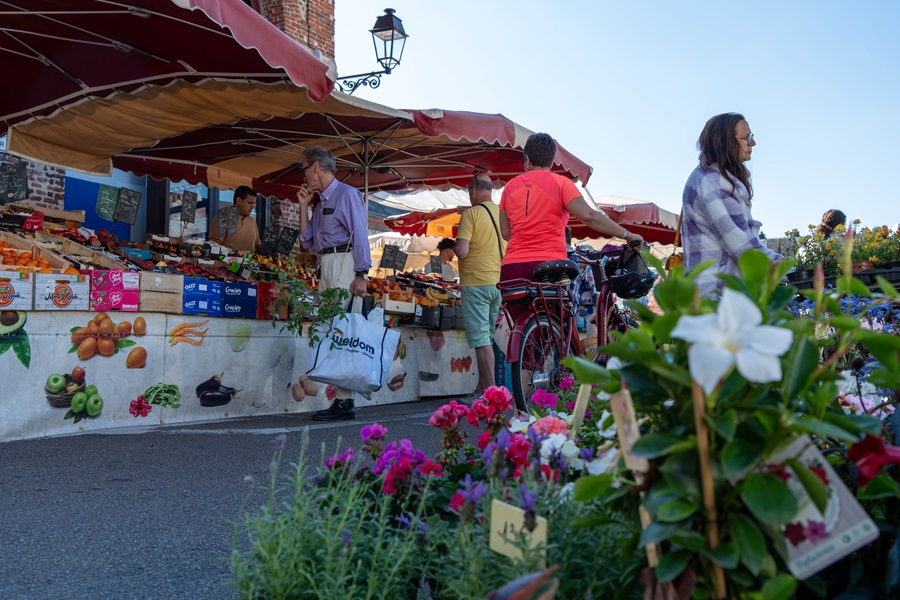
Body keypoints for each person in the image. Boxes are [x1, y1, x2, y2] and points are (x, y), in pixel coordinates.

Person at [498, 132, 643, 290]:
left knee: (519, 314)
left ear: (526, 159)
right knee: (554, 314)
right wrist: (627, 235)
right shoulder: (561, 183)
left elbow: (506, 233)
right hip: (549, 267)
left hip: (511, 267)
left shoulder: (509, 188)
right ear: (552, 161)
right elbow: (590, 216)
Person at [296, 146, 371, 421]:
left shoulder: (347, 195)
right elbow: (307, 242)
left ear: (316, 167)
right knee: (331, 331)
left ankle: (345, 400)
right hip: (327, 265)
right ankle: (342, 399)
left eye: (303, 169)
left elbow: (360, 234)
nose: (303, 175)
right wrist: (303, 207)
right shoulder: (320, 201)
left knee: (340, 332)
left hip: (345, 265)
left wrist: (361, 273)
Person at [681, 113, 780, 297]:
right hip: (714, 295)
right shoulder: (712, 183)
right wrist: (785, 267)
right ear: (724, 142)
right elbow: (740, 243)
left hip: (715, 293)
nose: (753, 143)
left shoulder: (713, 178)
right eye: (746, 137)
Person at [445, 173, 508, 397]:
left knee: (482, 341)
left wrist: (452, 247)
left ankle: (492, 396)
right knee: (487, 337)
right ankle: (481, 388)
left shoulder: (470, 214)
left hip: (476, 283)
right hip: (497, 284)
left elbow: (462, 251)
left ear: (473, 190)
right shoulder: (502, 213)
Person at [208, 185, 261, 252]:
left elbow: (257, 246)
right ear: (238, 200)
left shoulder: (252, 221)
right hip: (228, 261)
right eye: (250, 203)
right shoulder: (224, 216)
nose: (253, 207)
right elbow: (215, 245)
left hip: (252, 261)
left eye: (254, 203)